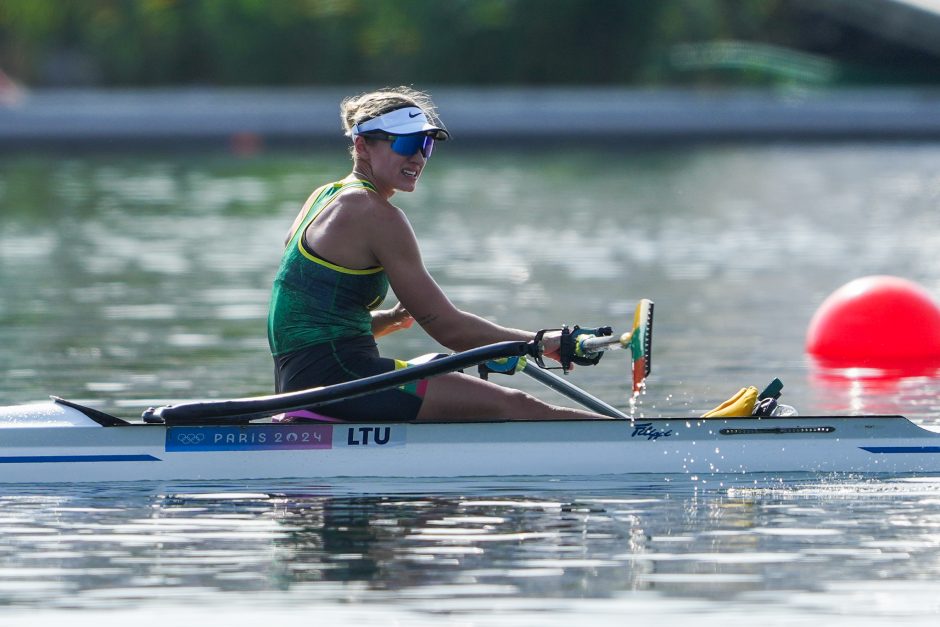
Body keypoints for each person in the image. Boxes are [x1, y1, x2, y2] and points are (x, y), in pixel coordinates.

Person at [267, 86, 608, 422]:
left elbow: (311, 324)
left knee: (437, 366)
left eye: (426, 145)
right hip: (342, 382)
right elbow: (450, 329)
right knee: (519, 407)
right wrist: (542, 342)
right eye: (406, 143)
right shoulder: (372, 212)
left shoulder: (325, 196)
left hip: (305, 381)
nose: (417, 157)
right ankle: (641, 444)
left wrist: (393, 319)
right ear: (362, 146)